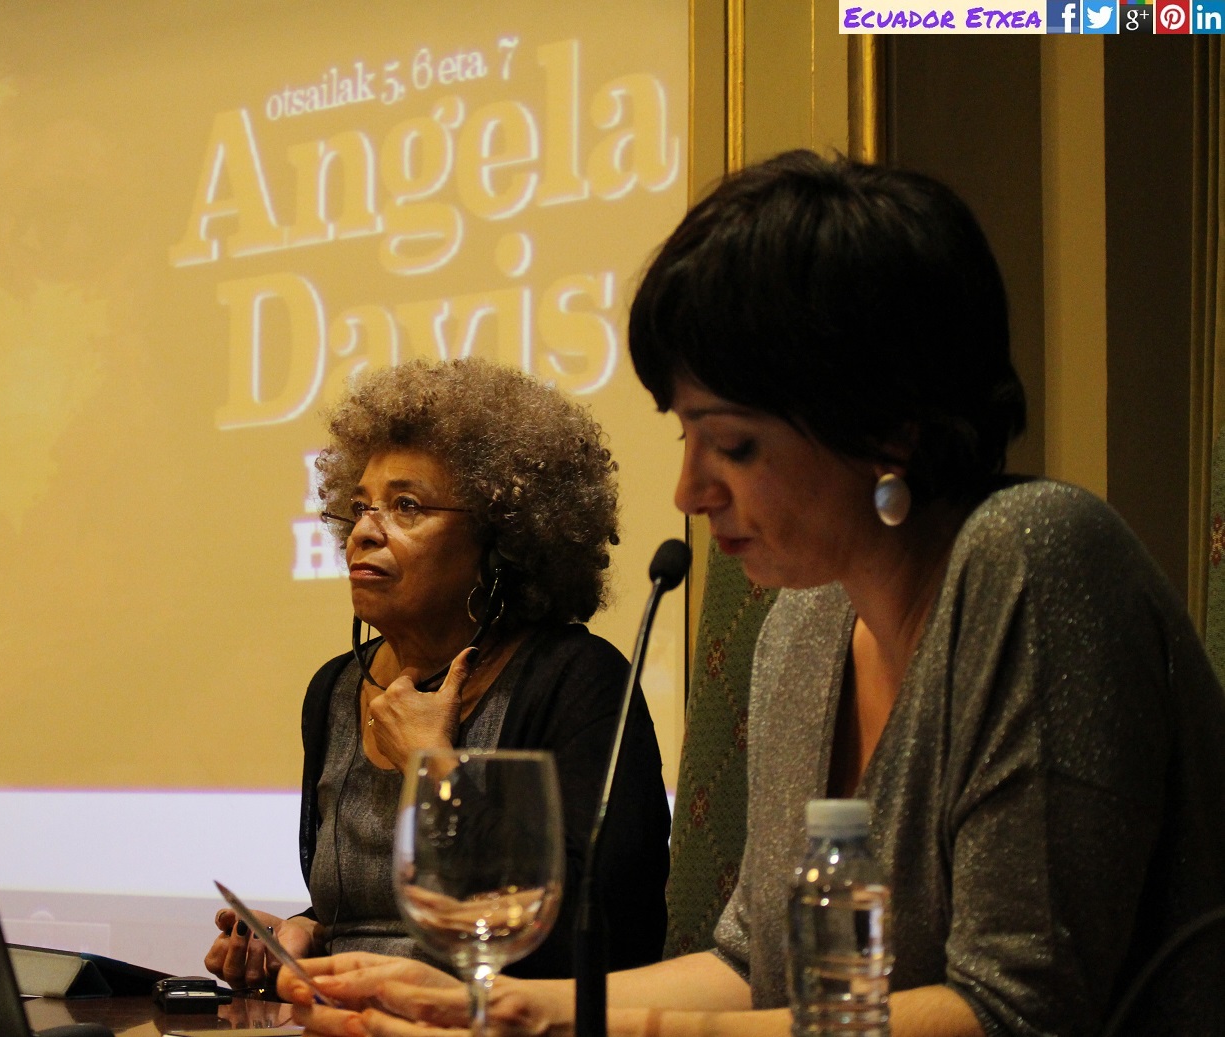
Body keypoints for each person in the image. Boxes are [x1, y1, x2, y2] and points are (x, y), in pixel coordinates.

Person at [276, 152, 1225, 1035]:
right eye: (686, 438)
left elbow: (1017, 1010)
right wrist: (496, 1005)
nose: (690, 491)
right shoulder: (804, 625)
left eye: (731, 444)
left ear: (887, 426)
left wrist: (599, 1029)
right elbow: (750, 965)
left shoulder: (1033, 558)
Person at [205, 357, 672, 988]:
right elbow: (374, 911)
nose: (362, 533)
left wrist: (433, 768)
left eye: (406, 506)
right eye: (359, 507)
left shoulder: (575, 680)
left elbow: (598, 932)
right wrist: (305, 933)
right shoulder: (334, 690)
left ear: (501, 542)